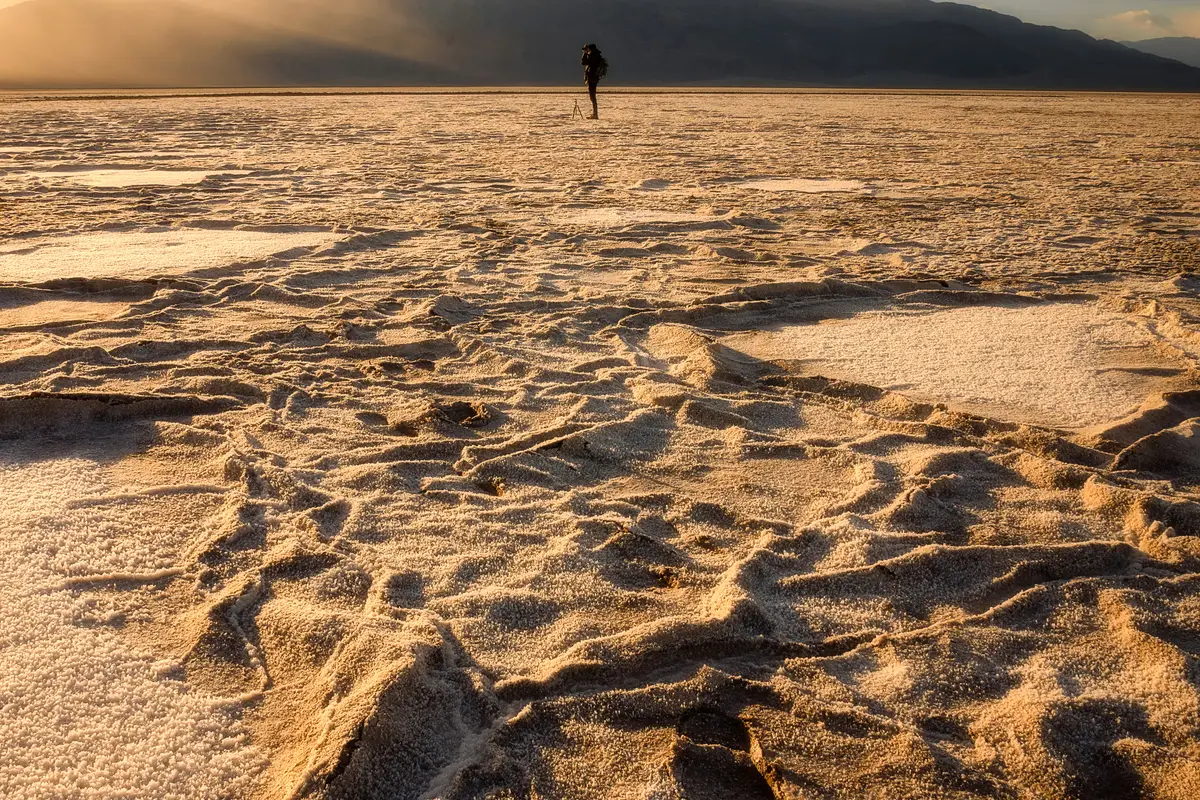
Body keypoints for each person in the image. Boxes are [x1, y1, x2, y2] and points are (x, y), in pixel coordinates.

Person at [581, 44, 608, 120]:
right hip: (595, 78)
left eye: (588, 49)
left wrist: (585, 53)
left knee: (592, 96)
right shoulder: (597, 55)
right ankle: (595, 113)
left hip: (592, 77)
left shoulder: (592, 55)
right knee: (593, 96)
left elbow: (584, 62)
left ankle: (595, 114)